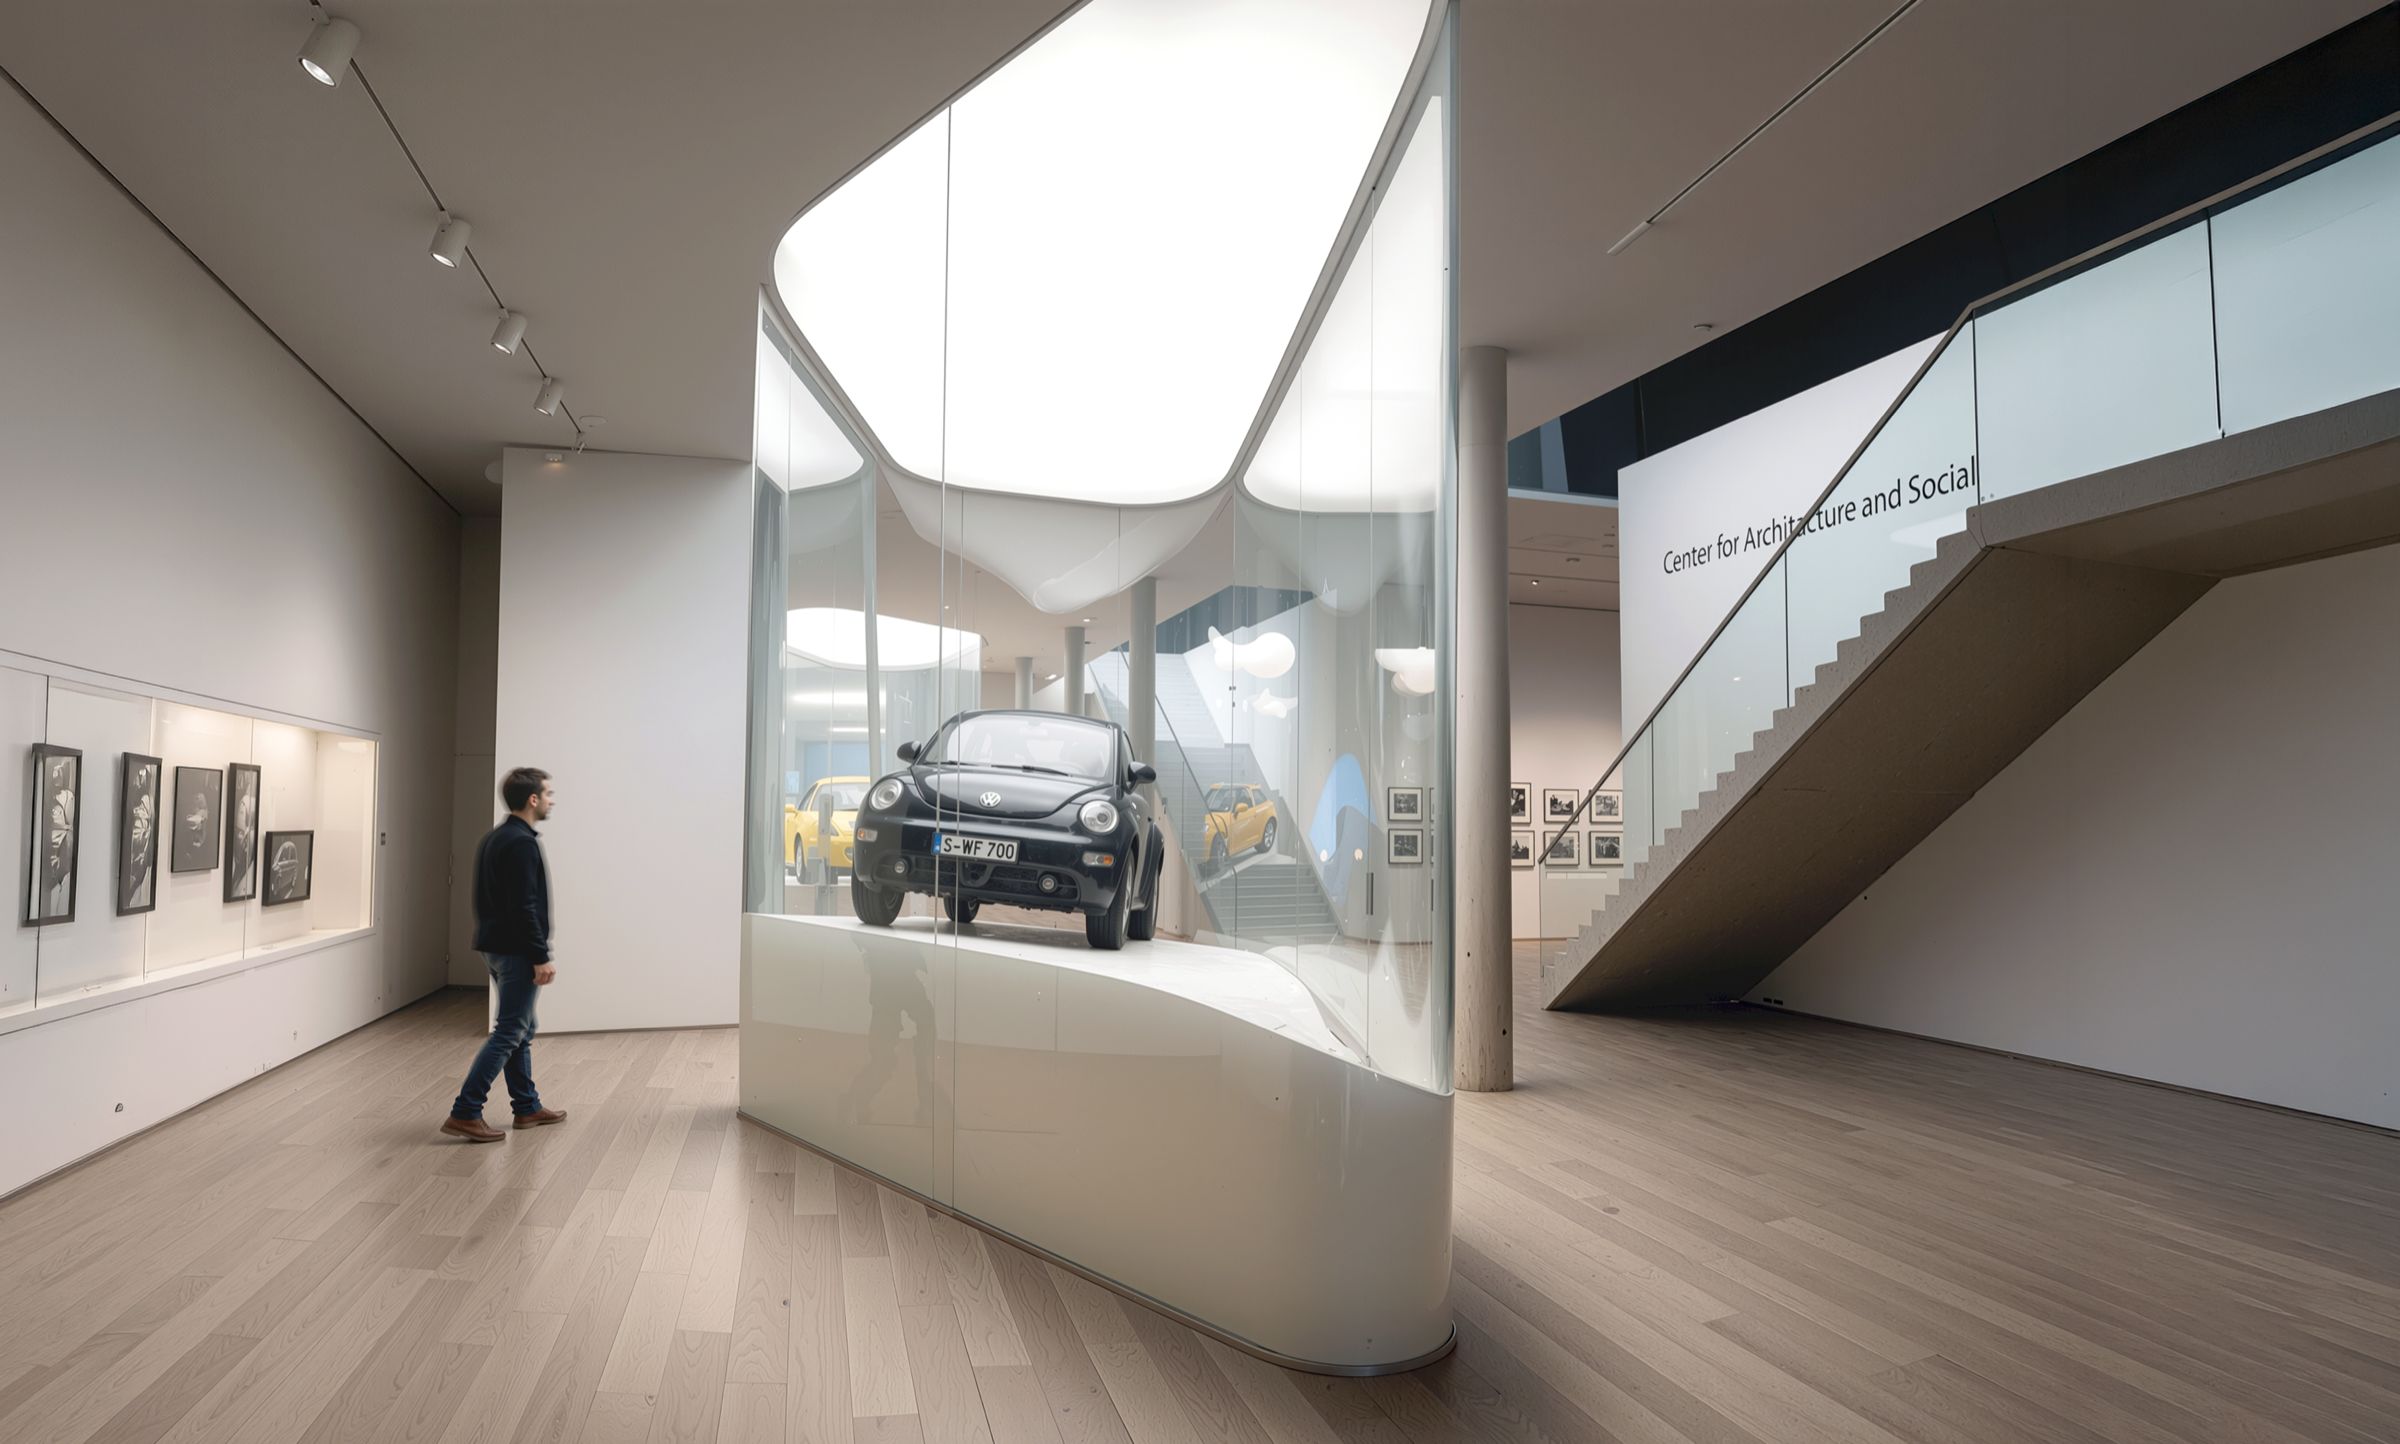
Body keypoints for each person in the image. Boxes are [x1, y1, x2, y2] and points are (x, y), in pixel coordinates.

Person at [441, 767, 569, 1141]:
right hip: (516, 952)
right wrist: (539, 954)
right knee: (511, 1030)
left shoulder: (496, 838)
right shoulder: (521, 843)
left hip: (494, 948)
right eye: (548, 793)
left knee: (521, 1028)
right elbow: (523, 906)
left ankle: (526, 1107)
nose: (551, 799)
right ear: (533, 800)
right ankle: (465, 1111)